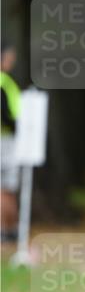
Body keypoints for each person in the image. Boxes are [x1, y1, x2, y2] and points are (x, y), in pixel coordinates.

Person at [1, 42, 21, 243]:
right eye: (9, 57)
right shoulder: (3, 82)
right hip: (5, 141)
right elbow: (7, 114)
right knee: (6, 187)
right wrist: (18, 128)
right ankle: (7, 230)